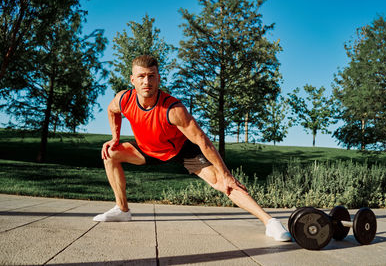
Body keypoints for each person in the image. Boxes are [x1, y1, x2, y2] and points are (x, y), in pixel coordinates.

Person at [93, 55, 291, 242]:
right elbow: (112, 110)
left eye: (151, 76)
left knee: (222, 183)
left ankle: (270, 222)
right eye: (142, 76)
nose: (147, 81)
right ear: (132, 79)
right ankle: (122, 210)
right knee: (109, 154)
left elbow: (203, 142)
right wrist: (115, 137)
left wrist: (225, 173)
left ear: (158, 78)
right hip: (146, 149)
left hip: (181, 152)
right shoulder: (124, 99)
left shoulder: (173, 109)